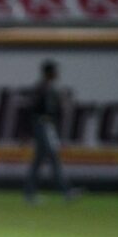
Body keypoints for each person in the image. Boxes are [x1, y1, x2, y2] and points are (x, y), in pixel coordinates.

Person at [24, 60, 77, 204]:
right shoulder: (42, 88)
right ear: (49, 72)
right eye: (54, 70)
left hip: (46, 126)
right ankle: (66, 190)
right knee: (54, 158)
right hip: (43, 125)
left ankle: (30, 193)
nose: (57, 73)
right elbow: (34, 109)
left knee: (39, 161)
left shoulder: (48, 88)